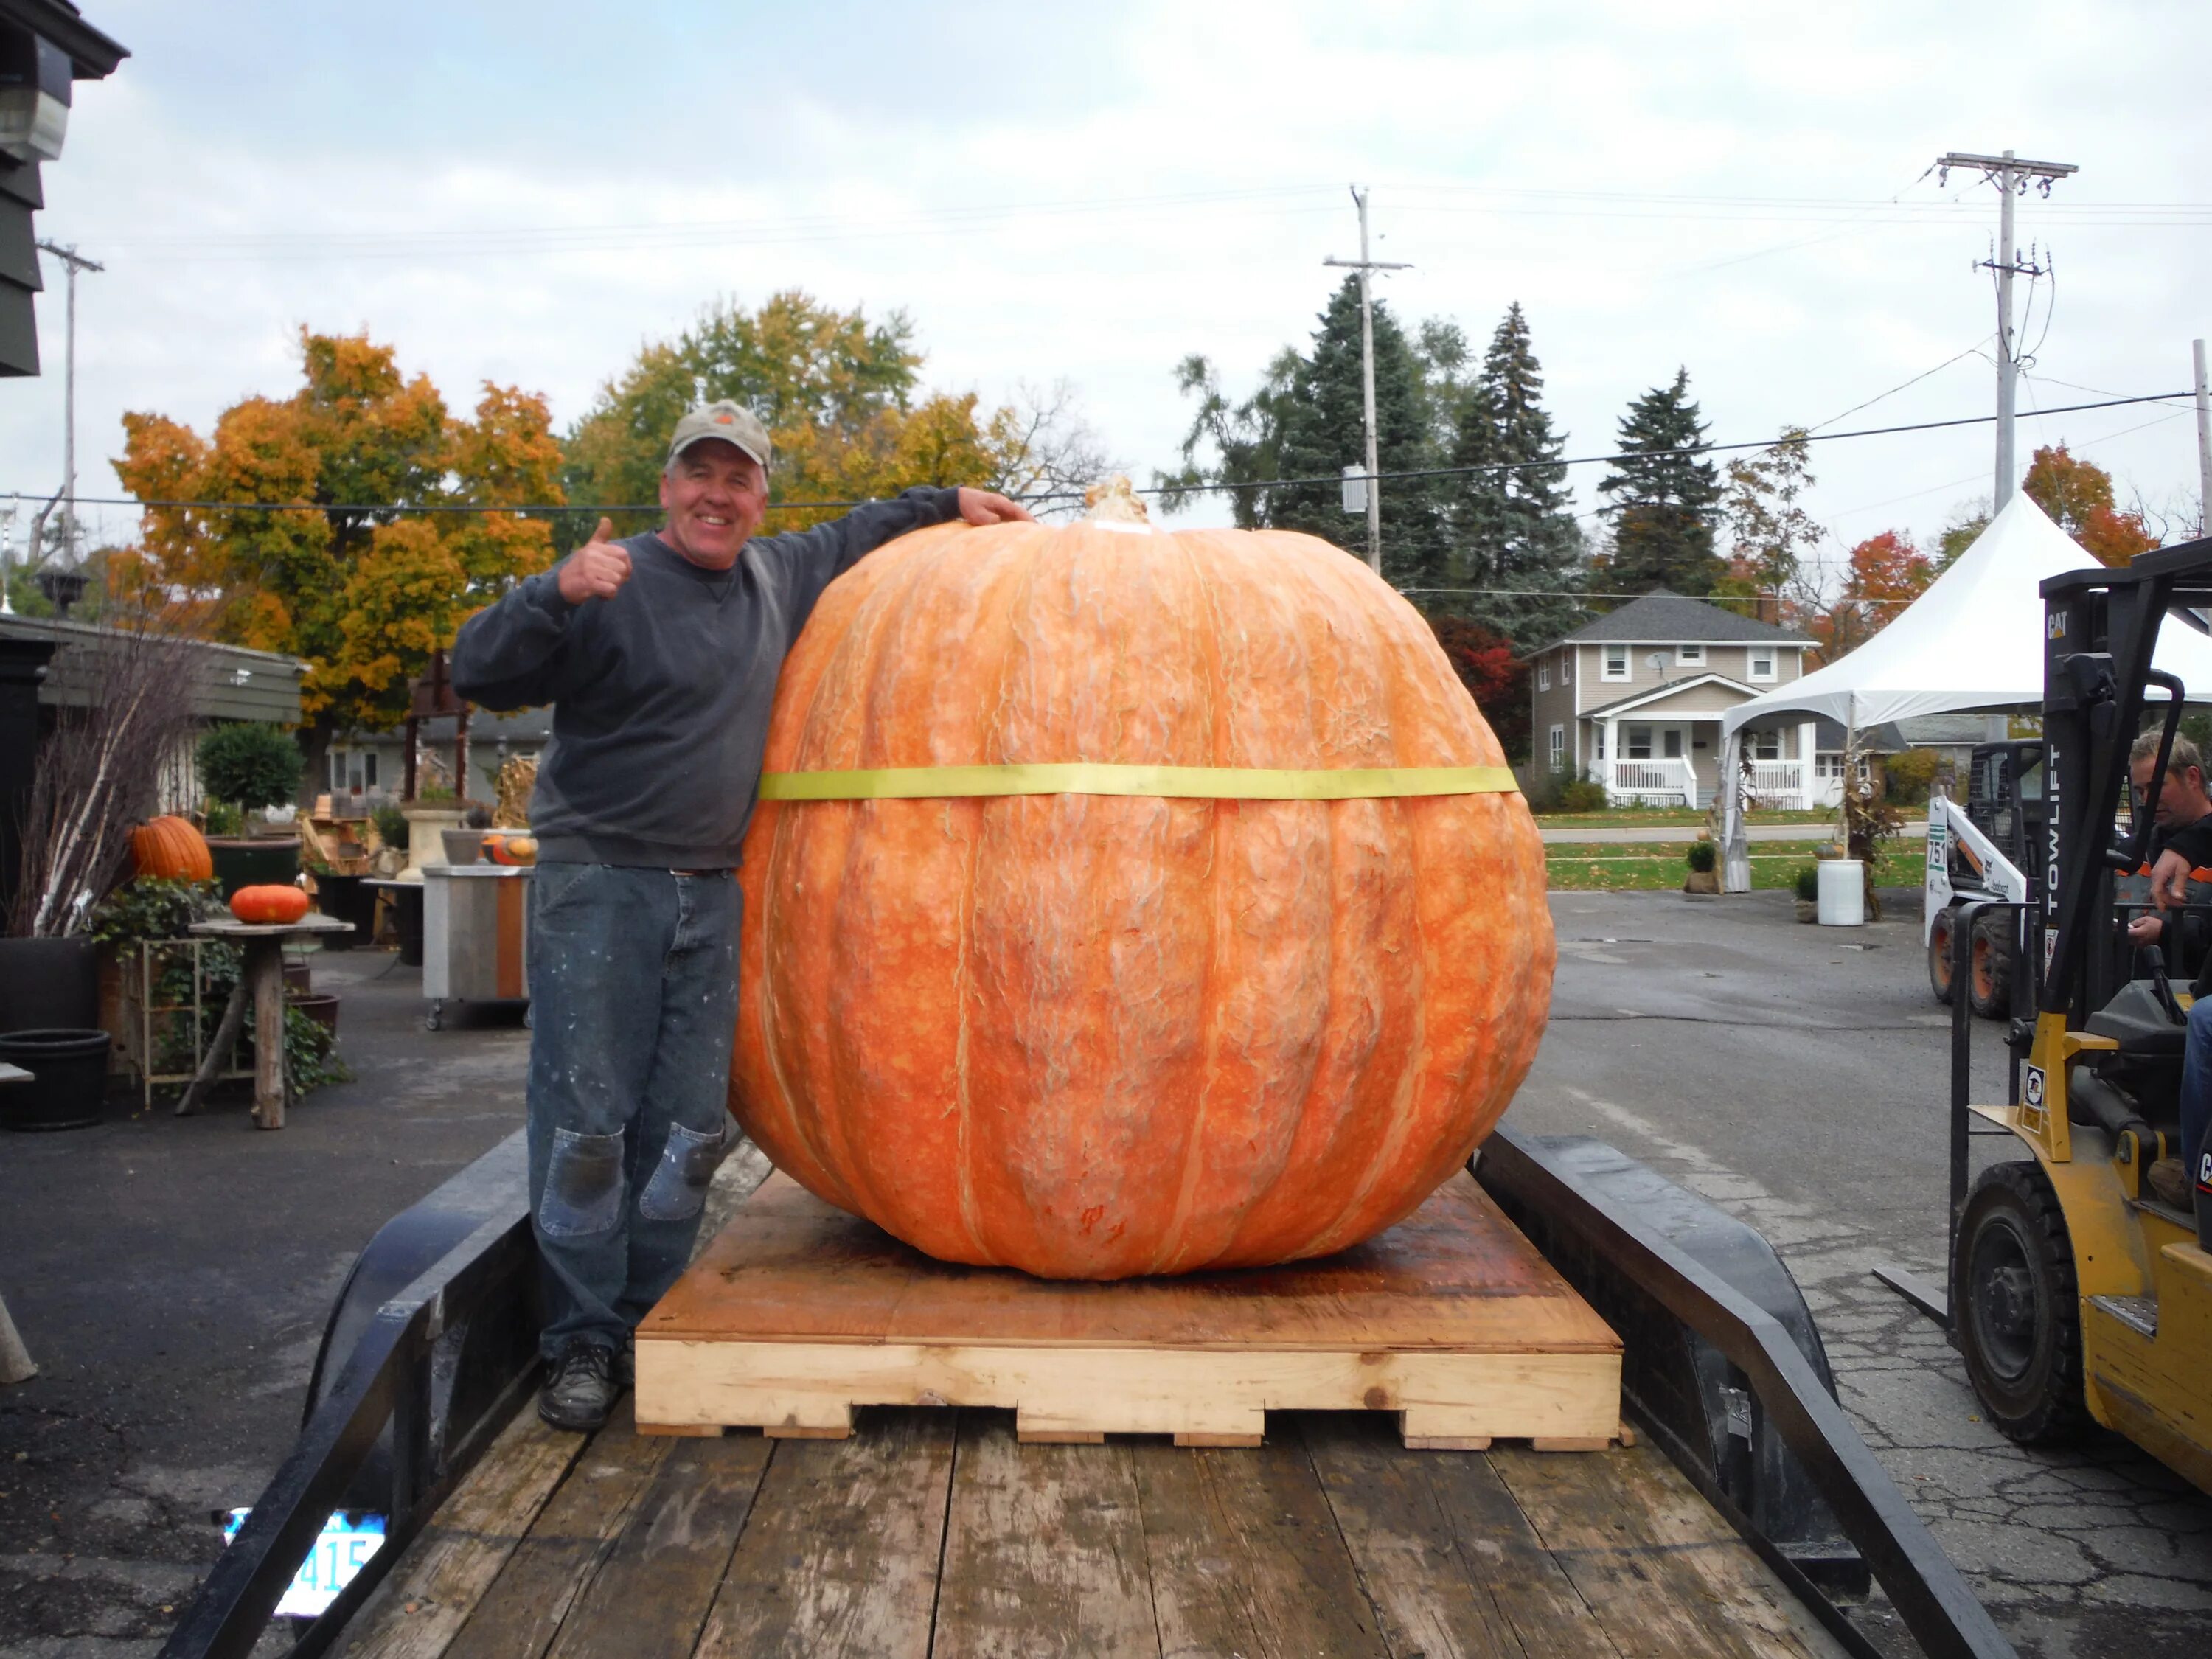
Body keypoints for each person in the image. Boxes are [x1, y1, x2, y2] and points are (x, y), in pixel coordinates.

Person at [451, 400, 1033, 1430]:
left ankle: (648, 1316)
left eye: (738, 478)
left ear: (760, 495)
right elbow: (478, 670)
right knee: (589, 1125)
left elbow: (859, 530)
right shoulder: (611, 582)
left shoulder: (777, 575)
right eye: (698, 475)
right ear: (668, 486)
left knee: (686, 1128)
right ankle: (581, 1340)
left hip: (712, 888)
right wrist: (552, 591)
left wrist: (946, 500)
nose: (717, 495)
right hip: (602, 884)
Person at [2122, 731, 2212, 1207]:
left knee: (2204, 1020)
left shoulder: (2194, 845)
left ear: (2192, 777)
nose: (2146, 801)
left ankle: (2197, 1171)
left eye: (2155, 788)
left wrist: (2172, 932)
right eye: (2139, 792)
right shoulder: (2148, 847)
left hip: (2192, 979)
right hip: (2162, 981)